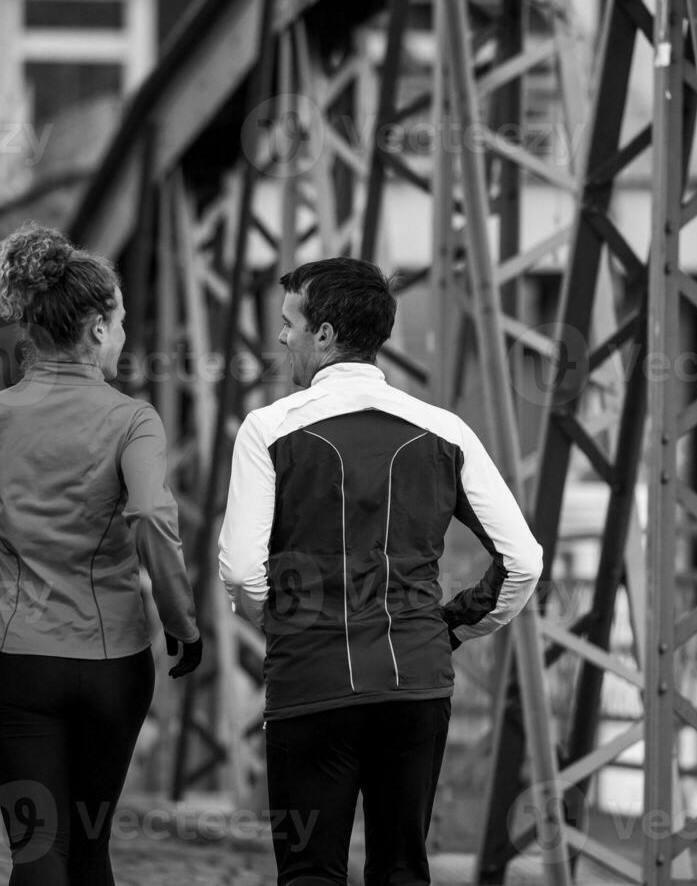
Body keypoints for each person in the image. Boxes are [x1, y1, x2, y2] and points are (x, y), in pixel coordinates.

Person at [218, 257, 541, 886]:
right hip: (414, 679)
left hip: (310, 679)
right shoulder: (446, 430)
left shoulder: (269, 428)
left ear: (326, 334)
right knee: (401, 868)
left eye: (290, 323)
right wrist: (450, 627)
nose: (282, 337)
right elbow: (523, 562)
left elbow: (239, 571)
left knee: (310, 870)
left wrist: (285, 625)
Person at [0, 222, 202, 886]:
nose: (120, 335)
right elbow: (149, 515)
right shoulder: (132, 420)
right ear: (94, 328)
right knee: (90, 851)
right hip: (113, 662)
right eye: (117, 322)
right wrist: (181, 624)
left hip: (19, 660)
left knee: (36, 853)